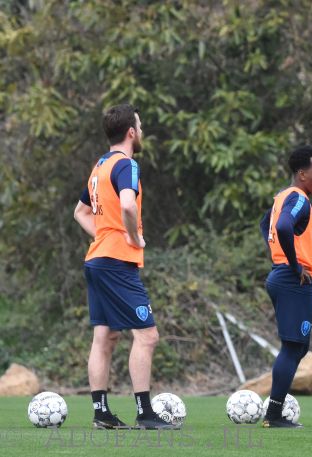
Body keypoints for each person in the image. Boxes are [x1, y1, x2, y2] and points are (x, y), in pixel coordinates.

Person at [74, 104, 173, 429]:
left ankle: (101, 412)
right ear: (131, 132)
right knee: (147, 335)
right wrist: (134, 237)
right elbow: (129, 205)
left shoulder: (100, 166)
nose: (141, 132)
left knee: (105, 336)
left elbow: (80, 212)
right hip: (116, 262)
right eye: (140, 127)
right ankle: (145, 413)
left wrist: (107, 234)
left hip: (97, 259)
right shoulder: (127, 165)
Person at [259, 146, 312, 428]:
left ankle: (274, 412)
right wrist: (294, 264)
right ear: (302, 174)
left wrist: (279, 258)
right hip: (292, 279)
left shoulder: (282, 197)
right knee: (292, 347)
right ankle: (274, 415)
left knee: (299, 347)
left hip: (283, 276)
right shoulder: (299, 199)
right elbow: (284, 227)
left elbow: (266, 225)